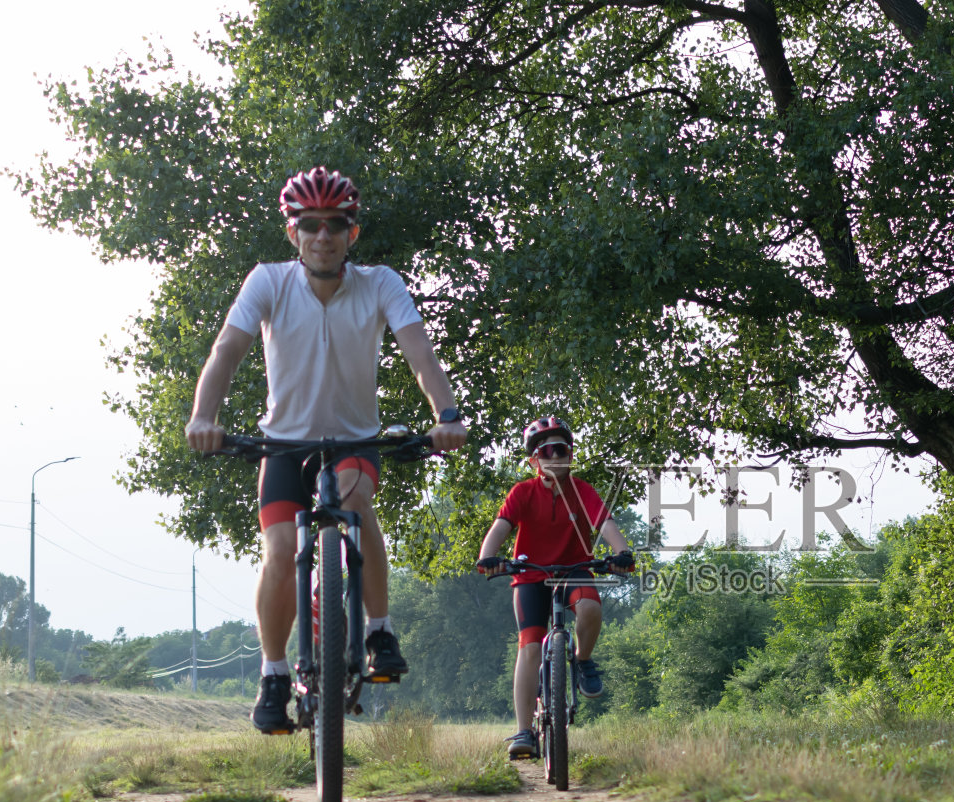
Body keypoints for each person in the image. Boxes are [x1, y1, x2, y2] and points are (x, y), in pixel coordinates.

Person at [185, 166, 468, 733]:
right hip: (283, 447)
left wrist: (447, 415)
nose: (322, 235)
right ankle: (274, 674)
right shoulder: (268, 281)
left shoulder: (380, 283)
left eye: (335, 224)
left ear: (351, 233)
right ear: (293, 232)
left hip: (353, 443)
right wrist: (203, 417)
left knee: (357, 505)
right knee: (280, 551)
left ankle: (378, 631)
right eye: (310, 224)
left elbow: (420, 354)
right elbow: (226, 351)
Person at [476, 417, 634, 759]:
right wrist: (488, 557)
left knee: (590, 608)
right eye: (547, 451)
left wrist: (622, 552)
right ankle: (524, 731)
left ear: (570, 454)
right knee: (530, 647)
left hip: (574, 571)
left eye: (562, 449)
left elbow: (605, 522)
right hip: (530, 576)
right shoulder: (522, 492)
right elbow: (501, 525)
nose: (556, 456)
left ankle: (583, 660)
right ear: (534, 460)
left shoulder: (583, 491)